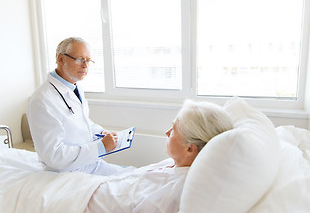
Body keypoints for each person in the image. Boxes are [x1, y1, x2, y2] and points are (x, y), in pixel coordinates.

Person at [85, 99, 234, 212]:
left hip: (84, 203)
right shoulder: (175, 163)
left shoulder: (173, 191)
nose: (167, 132)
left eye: (174, 129)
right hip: (94, 187)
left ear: (190, 149)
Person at [27, 37, 134, 175]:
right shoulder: (42, 100)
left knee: (135, 174)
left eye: (88, 60)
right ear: (61, 59)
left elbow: (81, 122)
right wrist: (100, 147)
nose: (85, 65)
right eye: (79, 59)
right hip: (67, 174)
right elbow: (53, 156)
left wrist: (101, 133)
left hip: (88, 164)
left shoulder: (74, 88)